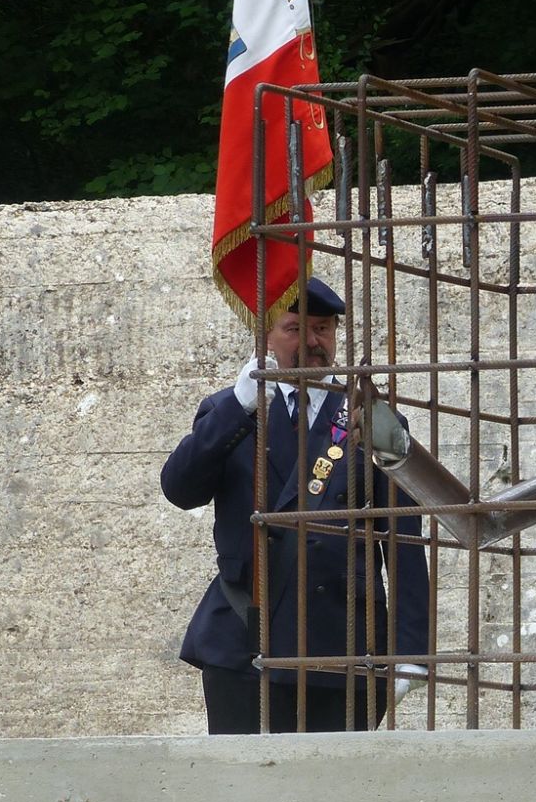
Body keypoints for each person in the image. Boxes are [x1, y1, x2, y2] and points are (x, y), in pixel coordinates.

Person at [161, 278, 431, 732]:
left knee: (333, 777)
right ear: (266, 337)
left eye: (323, 329)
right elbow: (180, 490)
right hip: (245, 641)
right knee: (243, 775)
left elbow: (402, 536)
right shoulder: (230, 410)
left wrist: (411, 651)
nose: (312, 342)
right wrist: (238, 409)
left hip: (343, 643)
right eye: (294, 329)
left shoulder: (367, 417)